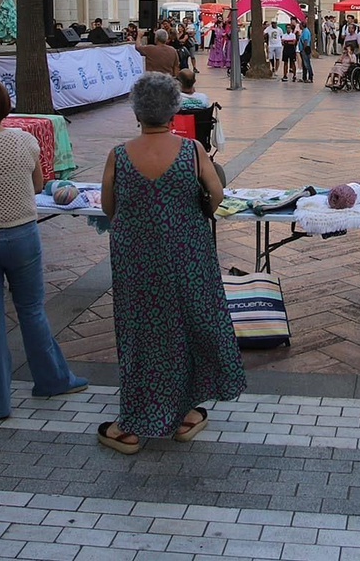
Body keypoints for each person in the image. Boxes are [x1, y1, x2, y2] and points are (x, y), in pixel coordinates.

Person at [96, 73, 244, 453]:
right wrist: (194, 215)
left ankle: (131, 424)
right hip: (187, 254)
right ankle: (184, 412)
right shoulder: (192, 151)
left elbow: (109, 207)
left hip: (137, 260)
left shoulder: (119, 154)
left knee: (141, 332)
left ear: (136, 111)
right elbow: (216, 193)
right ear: (174, 110)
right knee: (187, 326)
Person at [0, 81, 88, 419]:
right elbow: (38, 184)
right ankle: (51, 379)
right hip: (20, 233)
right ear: (6, 107)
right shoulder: (24, 140)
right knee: (31, 310)